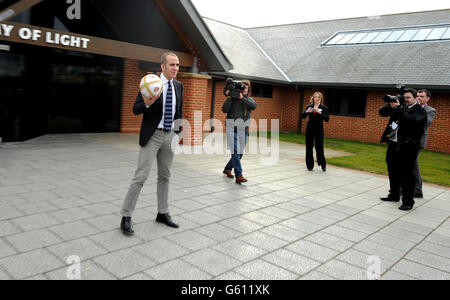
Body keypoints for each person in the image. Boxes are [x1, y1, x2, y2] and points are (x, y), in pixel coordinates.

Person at [120, 52, 183, 235]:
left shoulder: (179, 86)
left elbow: (179, 111)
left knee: (165, 176)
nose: (175, 68)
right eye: (172, 65)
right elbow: (135, 109)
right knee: (141, 176)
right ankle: (126, 216)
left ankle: (162, 213)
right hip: (152, 136)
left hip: (169, 136)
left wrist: (177, 133)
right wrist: (147, 103)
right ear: (162, 66)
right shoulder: (150, 83)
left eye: (177, 65)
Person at [380, 89, 426, 211]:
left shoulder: (419, 111)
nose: (405, 100)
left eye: (408, 98)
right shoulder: (399, 108)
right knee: (392, 170)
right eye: (404, 97)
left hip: (408, 146)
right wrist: (390, 104)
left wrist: (399, 109)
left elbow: (412, 122)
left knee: (407, 174)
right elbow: (382, 113)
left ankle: (408, 201)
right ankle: (394, 195)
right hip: (394, 144)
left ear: (416, 98)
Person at [222, 80, 257, 184]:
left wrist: (242, 98)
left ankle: (227, 169)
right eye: (243, 88)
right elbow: (224, 109)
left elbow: (254, 106)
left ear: (248, 90)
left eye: (246, 88)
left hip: (244, 129)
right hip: (231, 127)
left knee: (239, 154)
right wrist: (228, 97)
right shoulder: (232, 99)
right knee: (236, 152)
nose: (244, 89)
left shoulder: (249, 100)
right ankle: (239, 175)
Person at [412, 89, 436, 198]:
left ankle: (417, 190)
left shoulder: (431, 110)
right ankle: (407, 188)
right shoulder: (411, 107)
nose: (419, 98)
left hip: (419, 141)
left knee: (412, 164)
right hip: (407, 140)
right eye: (417, 96)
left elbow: (427, 123)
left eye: (421, 96)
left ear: (428, 98)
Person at [301, 92, 330, 171]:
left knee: (319, 146)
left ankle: (322, 164)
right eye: (315, 97)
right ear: (313, 98)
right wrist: (307, 112)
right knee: (309, 147)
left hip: (319, 130)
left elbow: (327, 119)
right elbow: (303, 116)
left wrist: (319, 112)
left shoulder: (324, 108)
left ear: (320, 99)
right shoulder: (309, 106)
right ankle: (309, 165)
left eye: (318, 97)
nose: (316, 99)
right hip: (310, 129)